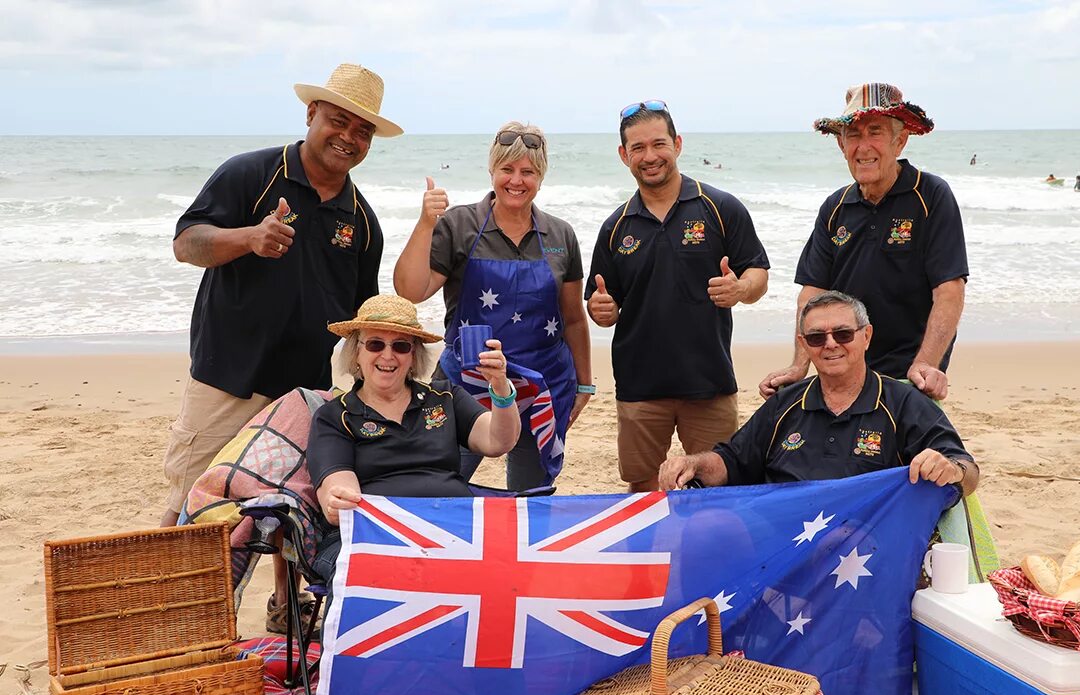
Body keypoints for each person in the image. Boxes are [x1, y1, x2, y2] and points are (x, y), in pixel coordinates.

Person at [162, 63, 401, 633]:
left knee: (292, 505)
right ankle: (174, 609)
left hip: (304, 391)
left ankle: (286, 608)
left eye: (362, 130)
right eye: (338, 120)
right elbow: (186, 243)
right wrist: (249, 238)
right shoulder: (252, 174)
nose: (348, 136)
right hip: (228, 374)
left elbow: (358, 321)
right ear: (311, 114)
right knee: (192, 497)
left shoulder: (362, 221)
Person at [280, 294, 520, 695]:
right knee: (362, 586)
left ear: (415, 355)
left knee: (516, 576)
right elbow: (333, 489)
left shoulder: (445, 399)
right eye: (375, 344)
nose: (387, 356)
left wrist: (501, 392)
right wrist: (339, 494)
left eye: (401, 346)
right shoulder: (336, 415)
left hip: (453, 533)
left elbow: (498, 442)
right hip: (373, 537)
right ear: (356, 351)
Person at [394, 122, 590, 491]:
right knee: (439, 484)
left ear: (541, 177)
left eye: (528, 172)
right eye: (507, 169)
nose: (516, 180)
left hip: (541, 386)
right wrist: (424, 223)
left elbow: (574, 319)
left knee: (530, 498)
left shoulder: (561, 235)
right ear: (492, 171)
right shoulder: (460, 224)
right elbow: (411, 290)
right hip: (466, 385)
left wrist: (585, 384)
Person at [586, 100, 769, 492]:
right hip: (639, 387)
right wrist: (600, 309)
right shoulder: (615, 226)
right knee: (642, 491)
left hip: (709, 382)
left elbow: (758, 274)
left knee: (716, 490)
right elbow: (602, 304)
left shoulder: (720, 208)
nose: (649, 156)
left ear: (678, 144)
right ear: (624, 155)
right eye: (637, 148)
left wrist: (739, 289)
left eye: (658, 144)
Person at [759, 83, 966, 404]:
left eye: (875, 132)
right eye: (853, 135)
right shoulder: (835, 207)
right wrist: (799, 365)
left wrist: (926, 363)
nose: (863, 146)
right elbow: (812, 294)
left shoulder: (931, 195)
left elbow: (949, 291)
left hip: (908, 376)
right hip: (841, 371)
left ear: (900, 141)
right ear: (841, 146)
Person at [660, 291, 978, 495]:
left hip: (864, 555)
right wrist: (694, 464)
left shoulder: (904, 404)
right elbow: (732, 461)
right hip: (783, 544)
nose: (830, 344)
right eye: (816, 337)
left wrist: (949, 470)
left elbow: (968, 472)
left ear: (866, 336)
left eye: (842, 333)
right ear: (803, 344)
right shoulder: (785, 404)